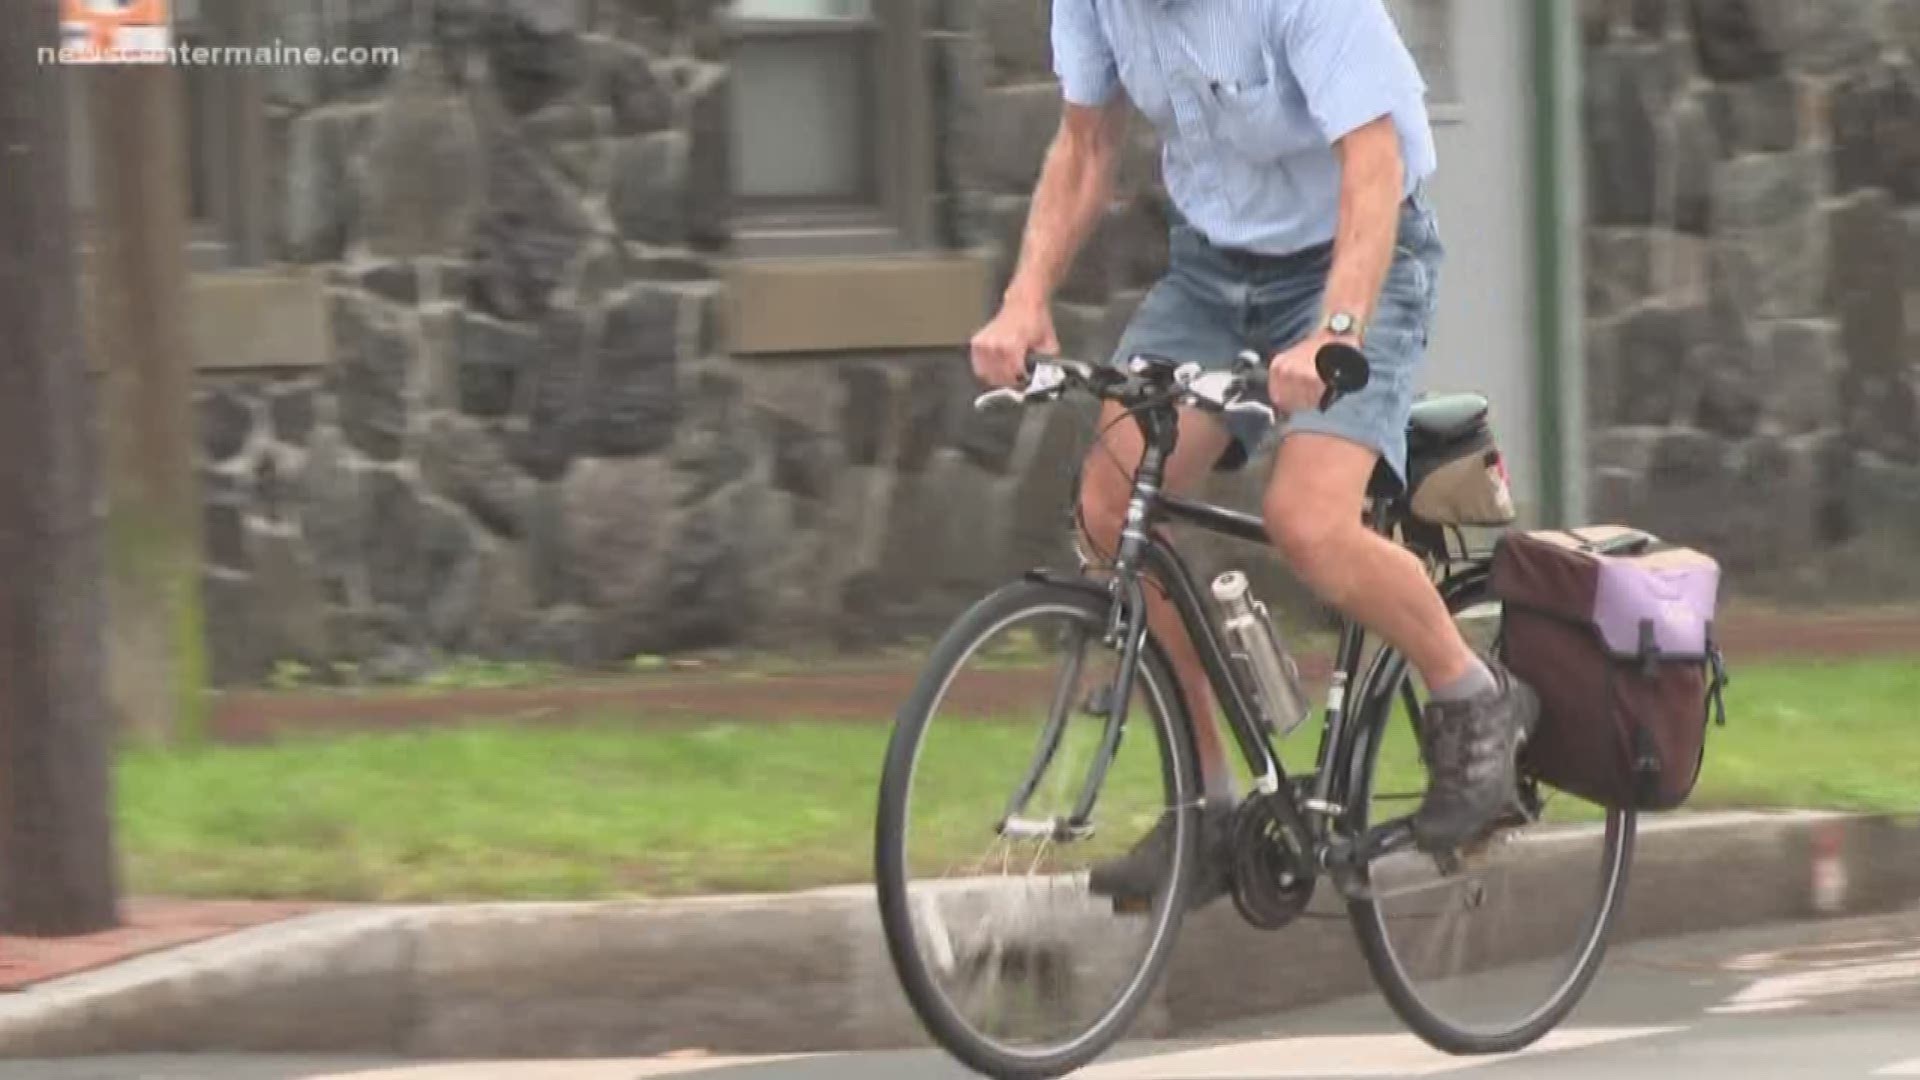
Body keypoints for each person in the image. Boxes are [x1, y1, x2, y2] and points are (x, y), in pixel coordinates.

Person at [970, 0, 1538, 906]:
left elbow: (1372, 165)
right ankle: (1208, 802)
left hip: (1356, 261)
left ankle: (1474, 694)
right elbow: (1084, 147)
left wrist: (1334, 331)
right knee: (1109, 510)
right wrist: (1025, 295)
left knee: (1308, 522)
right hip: (1211, 273)